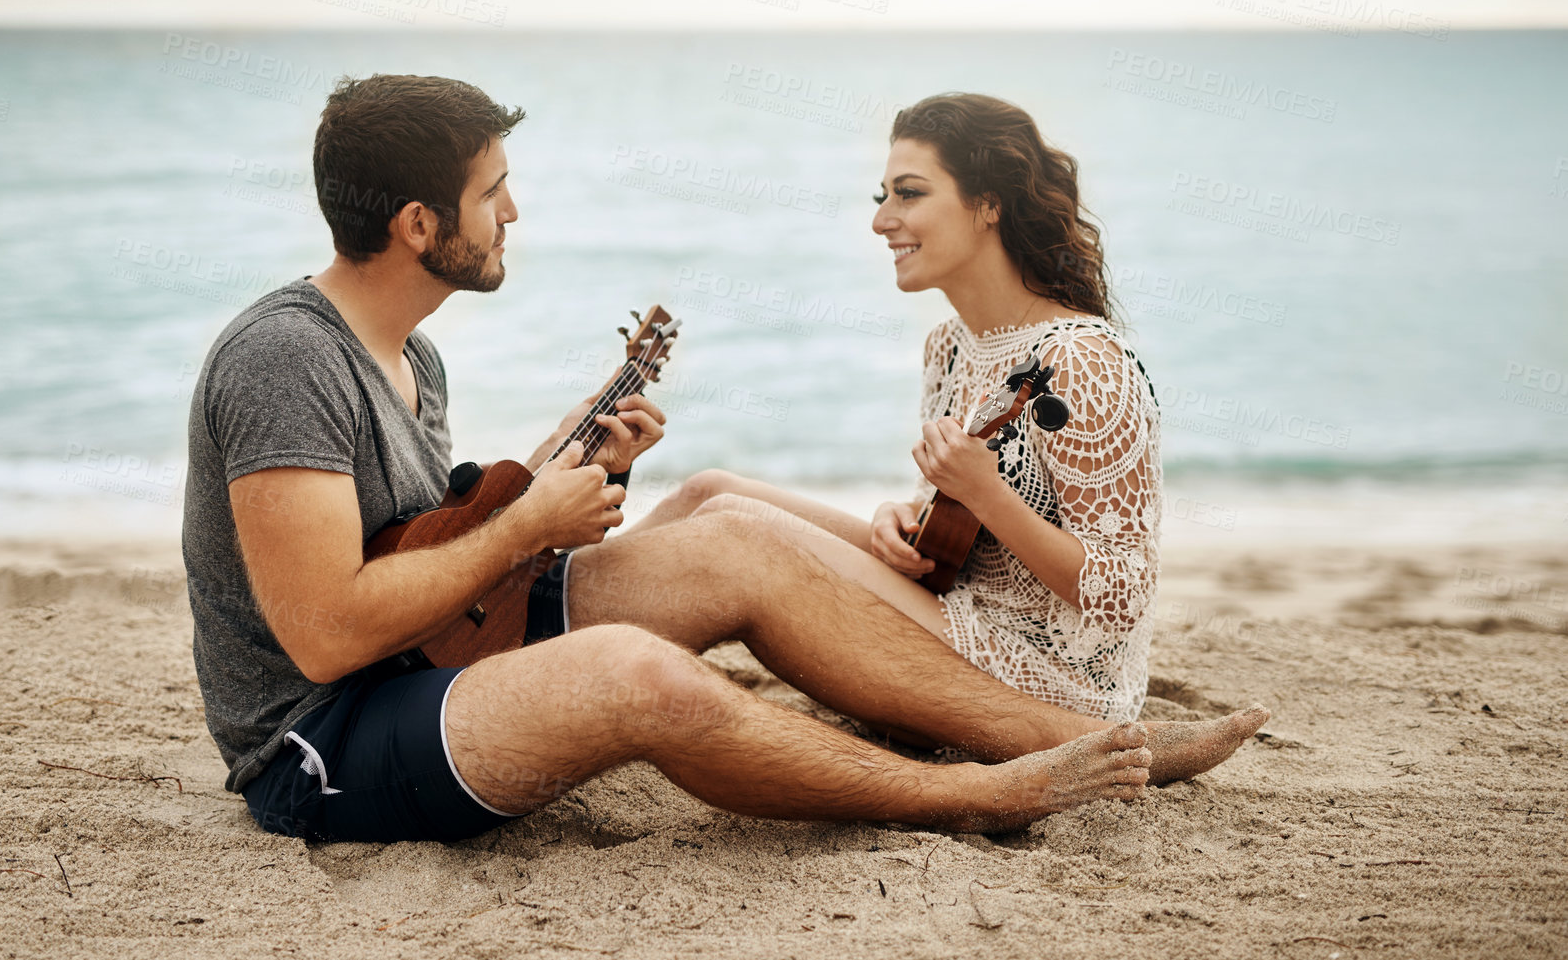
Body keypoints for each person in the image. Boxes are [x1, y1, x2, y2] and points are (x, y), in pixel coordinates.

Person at [182, 75, 1266, 846]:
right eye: (490, 191)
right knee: (638, 678)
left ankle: (1090, 734)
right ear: (420, 224)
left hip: (423, 666)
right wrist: (523, 526)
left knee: (730, 539)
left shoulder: (409, 355)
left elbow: (423, 561)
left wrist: (559, 488)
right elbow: (326, 637)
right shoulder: (287, 361)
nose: (513, 209)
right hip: (320, 744)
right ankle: (974, 797)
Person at [629, 92, 1169, 728]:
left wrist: (991, 495)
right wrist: (898, 519)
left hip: (1047, 672)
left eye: (909, 194)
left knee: (729, 522)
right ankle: (537, 611)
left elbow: (1122, 597)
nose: (882, 220)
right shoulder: (949, 346)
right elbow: (944, 525)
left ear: (989, 204)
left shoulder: (1087, 362)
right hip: (952, 606)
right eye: (882, 196)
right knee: (706, 490)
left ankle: (561, 650)